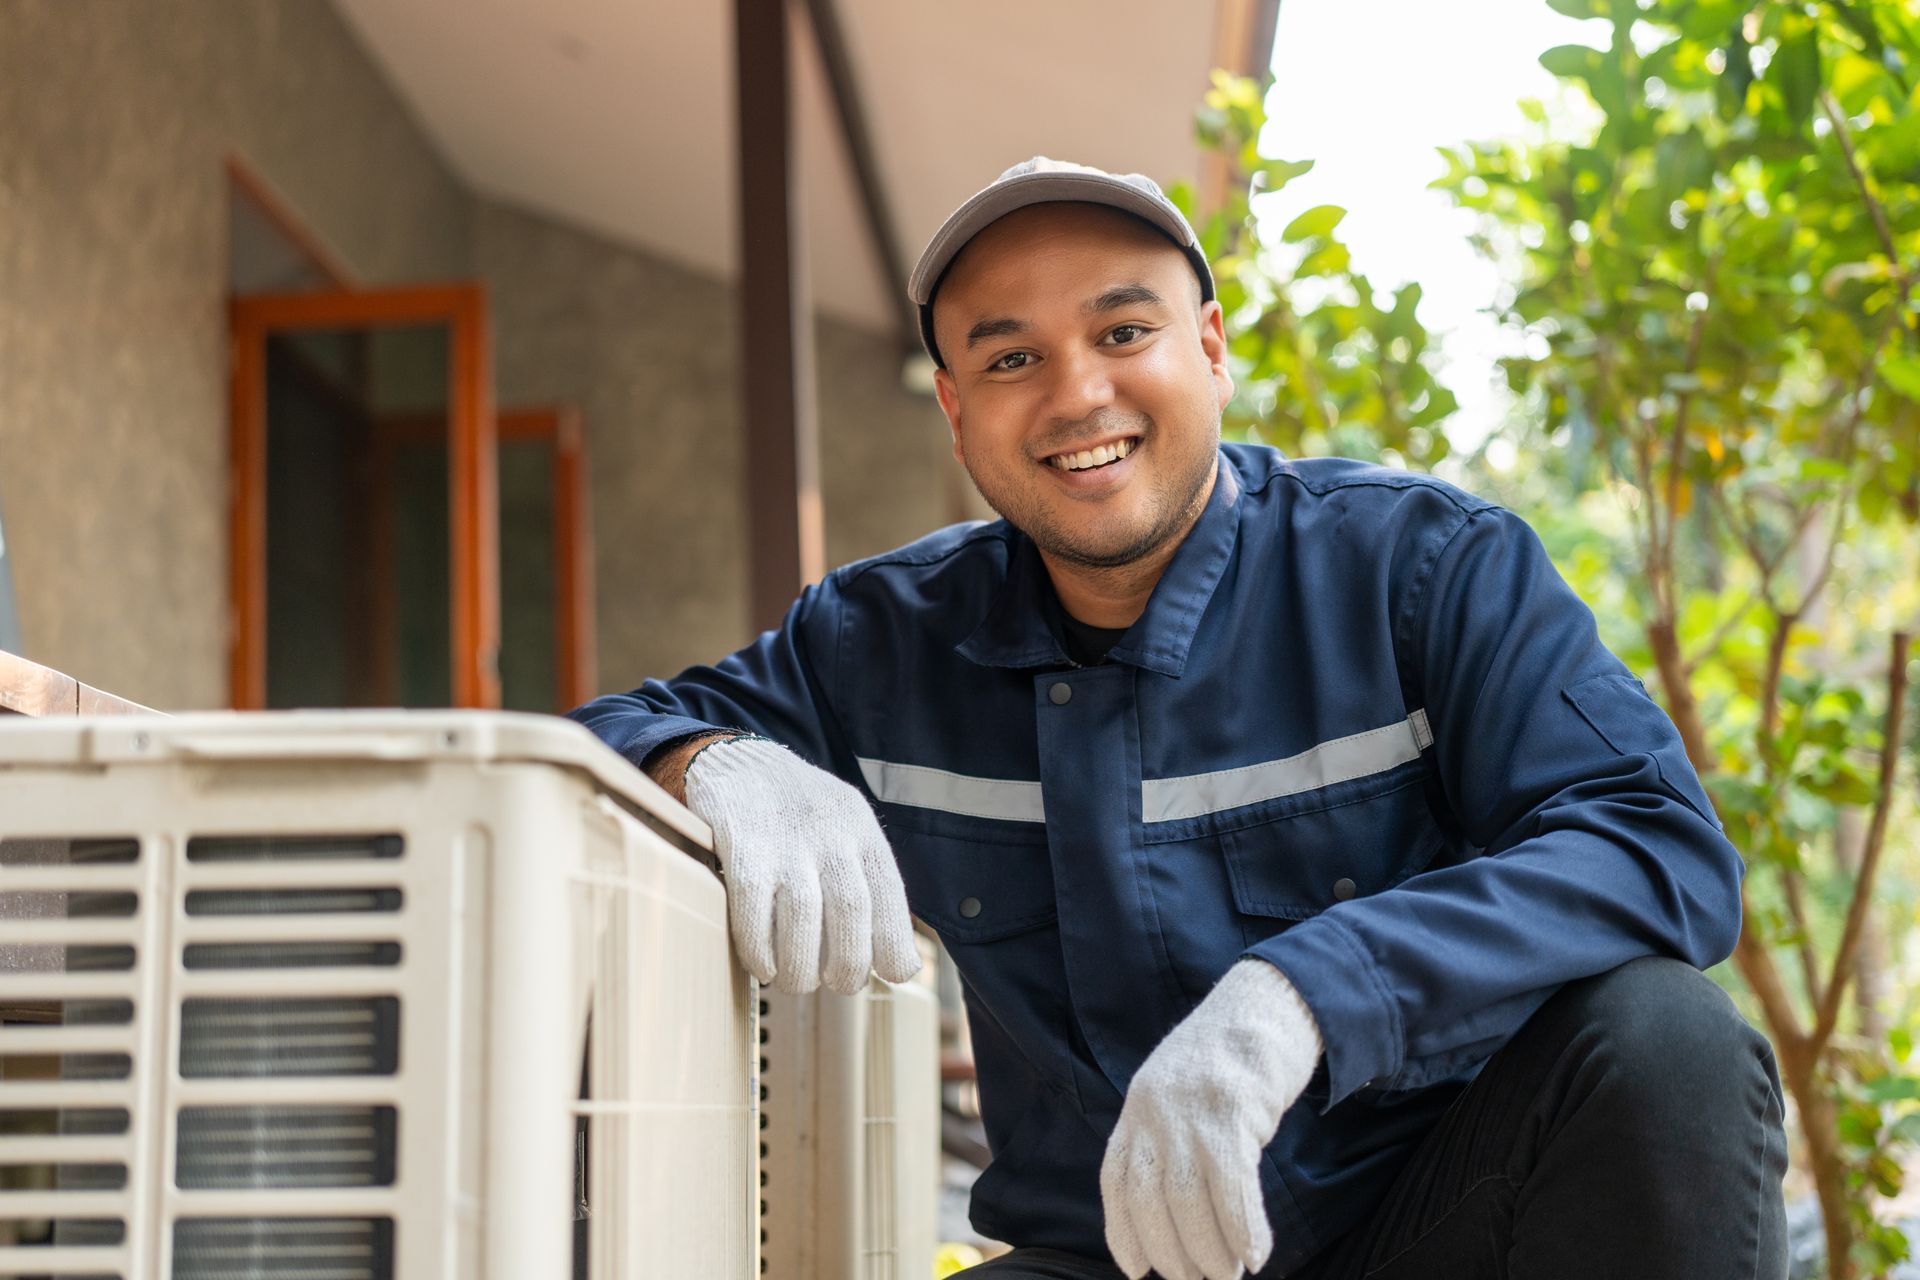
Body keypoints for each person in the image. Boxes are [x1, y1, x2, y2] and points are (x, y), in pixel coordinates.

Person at [569, 158, 1788, 1280]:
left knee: (1667, 1040)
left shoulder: (1421, 571)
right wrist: (707, 757)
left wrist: (1308, 992)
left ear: (1209, 346)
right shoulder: (878, 642)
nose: (1075, 393)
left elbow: (1653, 844)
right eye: (1009, 359)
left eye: (1122, 330)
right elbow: (593, 737)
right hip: (1108, 1257)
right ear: (953, 408)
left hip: (1432, 1225)